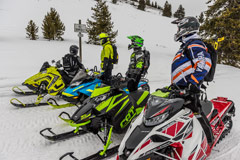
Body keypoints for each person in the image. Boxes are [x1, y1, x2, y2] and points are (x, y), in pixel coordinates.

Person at [171, 16, 214, 146]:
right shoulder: (187, 44)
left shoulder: (195, 43)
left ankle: (209, 139)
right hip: (180, 88)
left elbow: (204, 63)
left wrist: (193, 83)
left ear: (187, 28)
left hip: (189, 89)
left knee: (196, 113)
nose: (178, 30)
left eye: (180, 27)